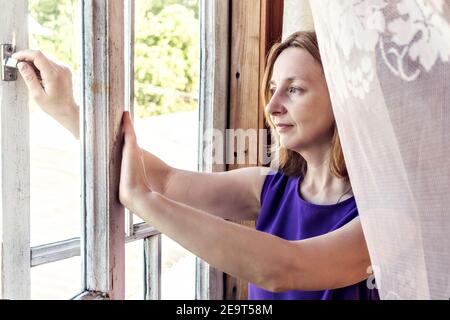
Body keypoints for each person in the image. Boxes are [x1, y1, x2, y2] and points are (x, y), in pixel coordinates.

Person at [13, 31, 379, 300]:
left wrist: (144, 202)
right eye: (272, 89)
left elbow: (282, 269)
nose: (272, 106)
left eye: (294, 89)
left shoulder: (384, 216)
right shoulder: (269, 186)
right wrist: (69, 113)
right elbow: (167, 180)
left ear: (344, 97)